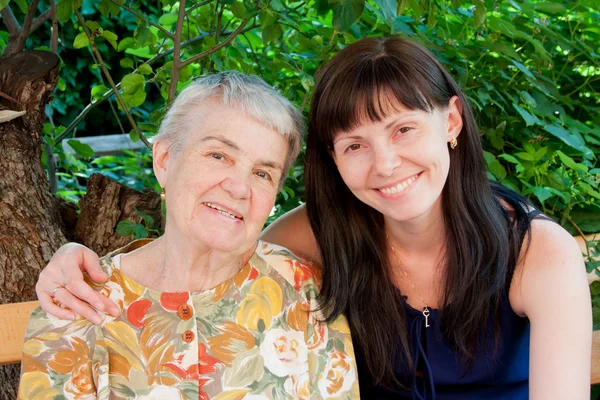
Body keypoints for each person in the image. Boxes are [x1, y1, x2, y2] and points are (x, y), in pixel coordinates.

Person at [34, 37, 592, 399]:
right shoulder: (321, 236)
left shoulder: (534, 253)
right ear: (334, 160)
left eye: (403, 130)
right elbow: (216, 246)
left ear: (451, 121)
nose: (386, 164)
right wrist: (72, 263)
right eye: (354, 144)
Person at [18, 71, 359, 399]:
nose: (240, 187)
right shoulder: (77, 304)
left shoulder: (307, 293)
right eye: (218, 155)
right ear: (165, 160)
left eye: (262, 173)